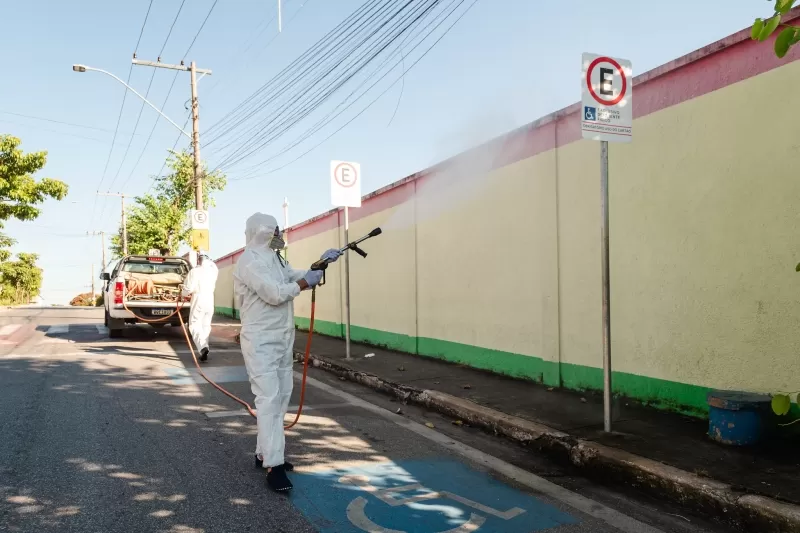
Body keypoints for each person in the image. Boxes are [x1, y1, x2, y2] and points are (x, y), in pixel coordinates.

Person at [233, 212, 342, 492]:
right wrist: (306, 283)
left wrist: (319, 264)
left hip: (282, 338)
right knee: (268, 399)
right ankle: (274, 466)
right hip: (260, 340)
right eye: (275, 231)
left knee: (281, 397)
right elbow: (274, 293)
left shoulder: (274, 258)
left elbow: (293, 276)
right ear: (262, 232)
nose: (279, 236)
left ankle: (264, 454)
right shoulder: (249, 261)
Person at [181, 252, 219, 362]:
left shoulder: (195, 271)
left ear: (199, 261)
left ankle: (202, 347)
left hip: (199, 299)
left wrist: (182, 293)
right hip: (210, 300)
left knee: (194, 324)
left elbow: (188, 289)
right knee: (205, 326)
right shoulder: (213, 271)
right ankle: (204, 348)